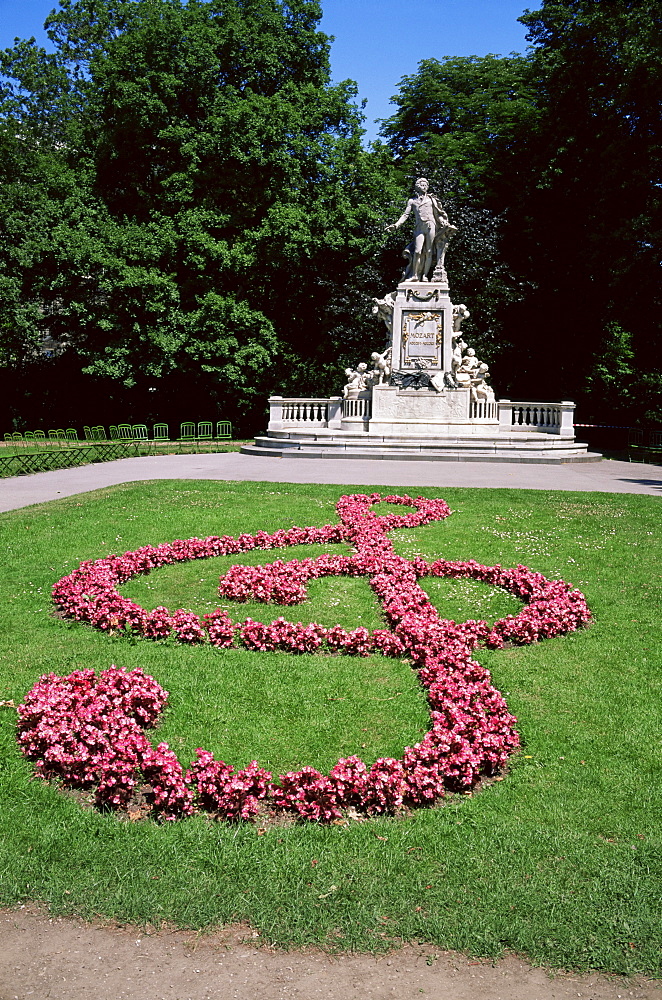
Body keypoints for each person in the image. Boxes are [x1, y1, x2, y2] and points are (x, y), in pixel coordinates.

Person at [386, 178, 452, 282]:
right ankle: (415, 275)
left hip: (431, 225)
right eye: (422, 185)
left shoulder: (431, 200)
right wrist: (396, 225)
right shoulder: (412, 201)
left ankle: (425, 276)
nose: (424, 187)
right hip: (419, 228)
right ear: (417, 186)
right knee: (417, 251)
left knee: (429, 251)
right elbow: (405, 215)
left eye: (426, 185)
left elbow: (437, 214)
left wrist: (443, 221)